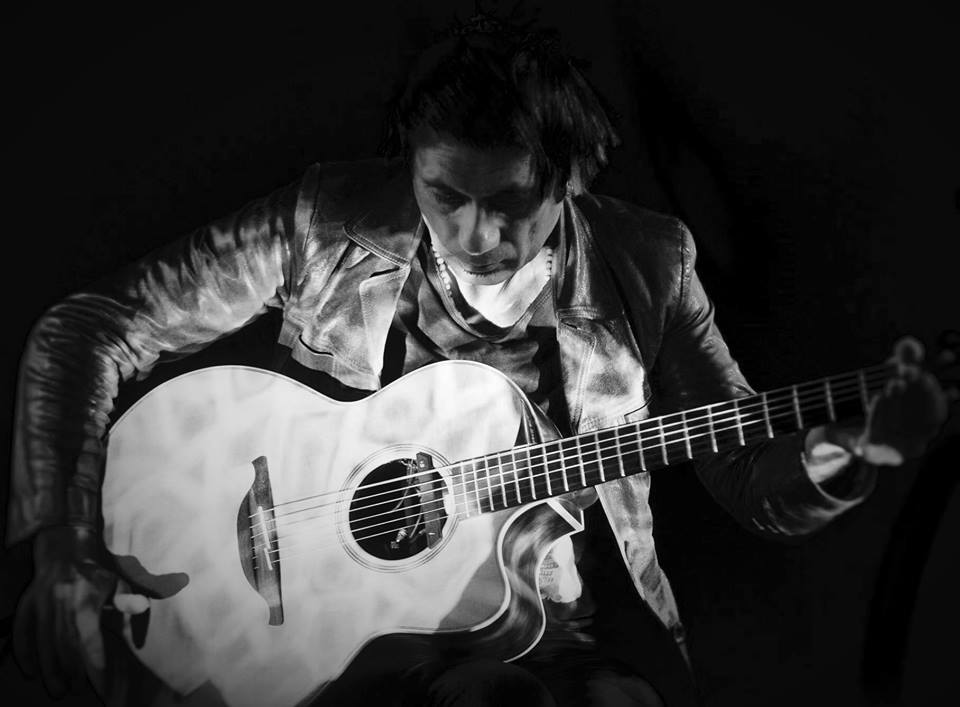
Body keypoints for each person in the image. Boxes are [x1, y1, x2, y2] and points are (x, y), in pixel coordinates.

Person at [5, 14, 948, 707]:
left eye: (511, 202)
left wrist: (849, 451)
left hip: (556, 626)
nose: (474, 233)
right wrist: (63, 543)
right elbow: (89, 328)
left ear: (572, 178)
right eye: (443, 194)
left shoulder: (649, 262)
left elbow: (745, 470)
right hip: (336, 632)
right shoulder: (326, 220)